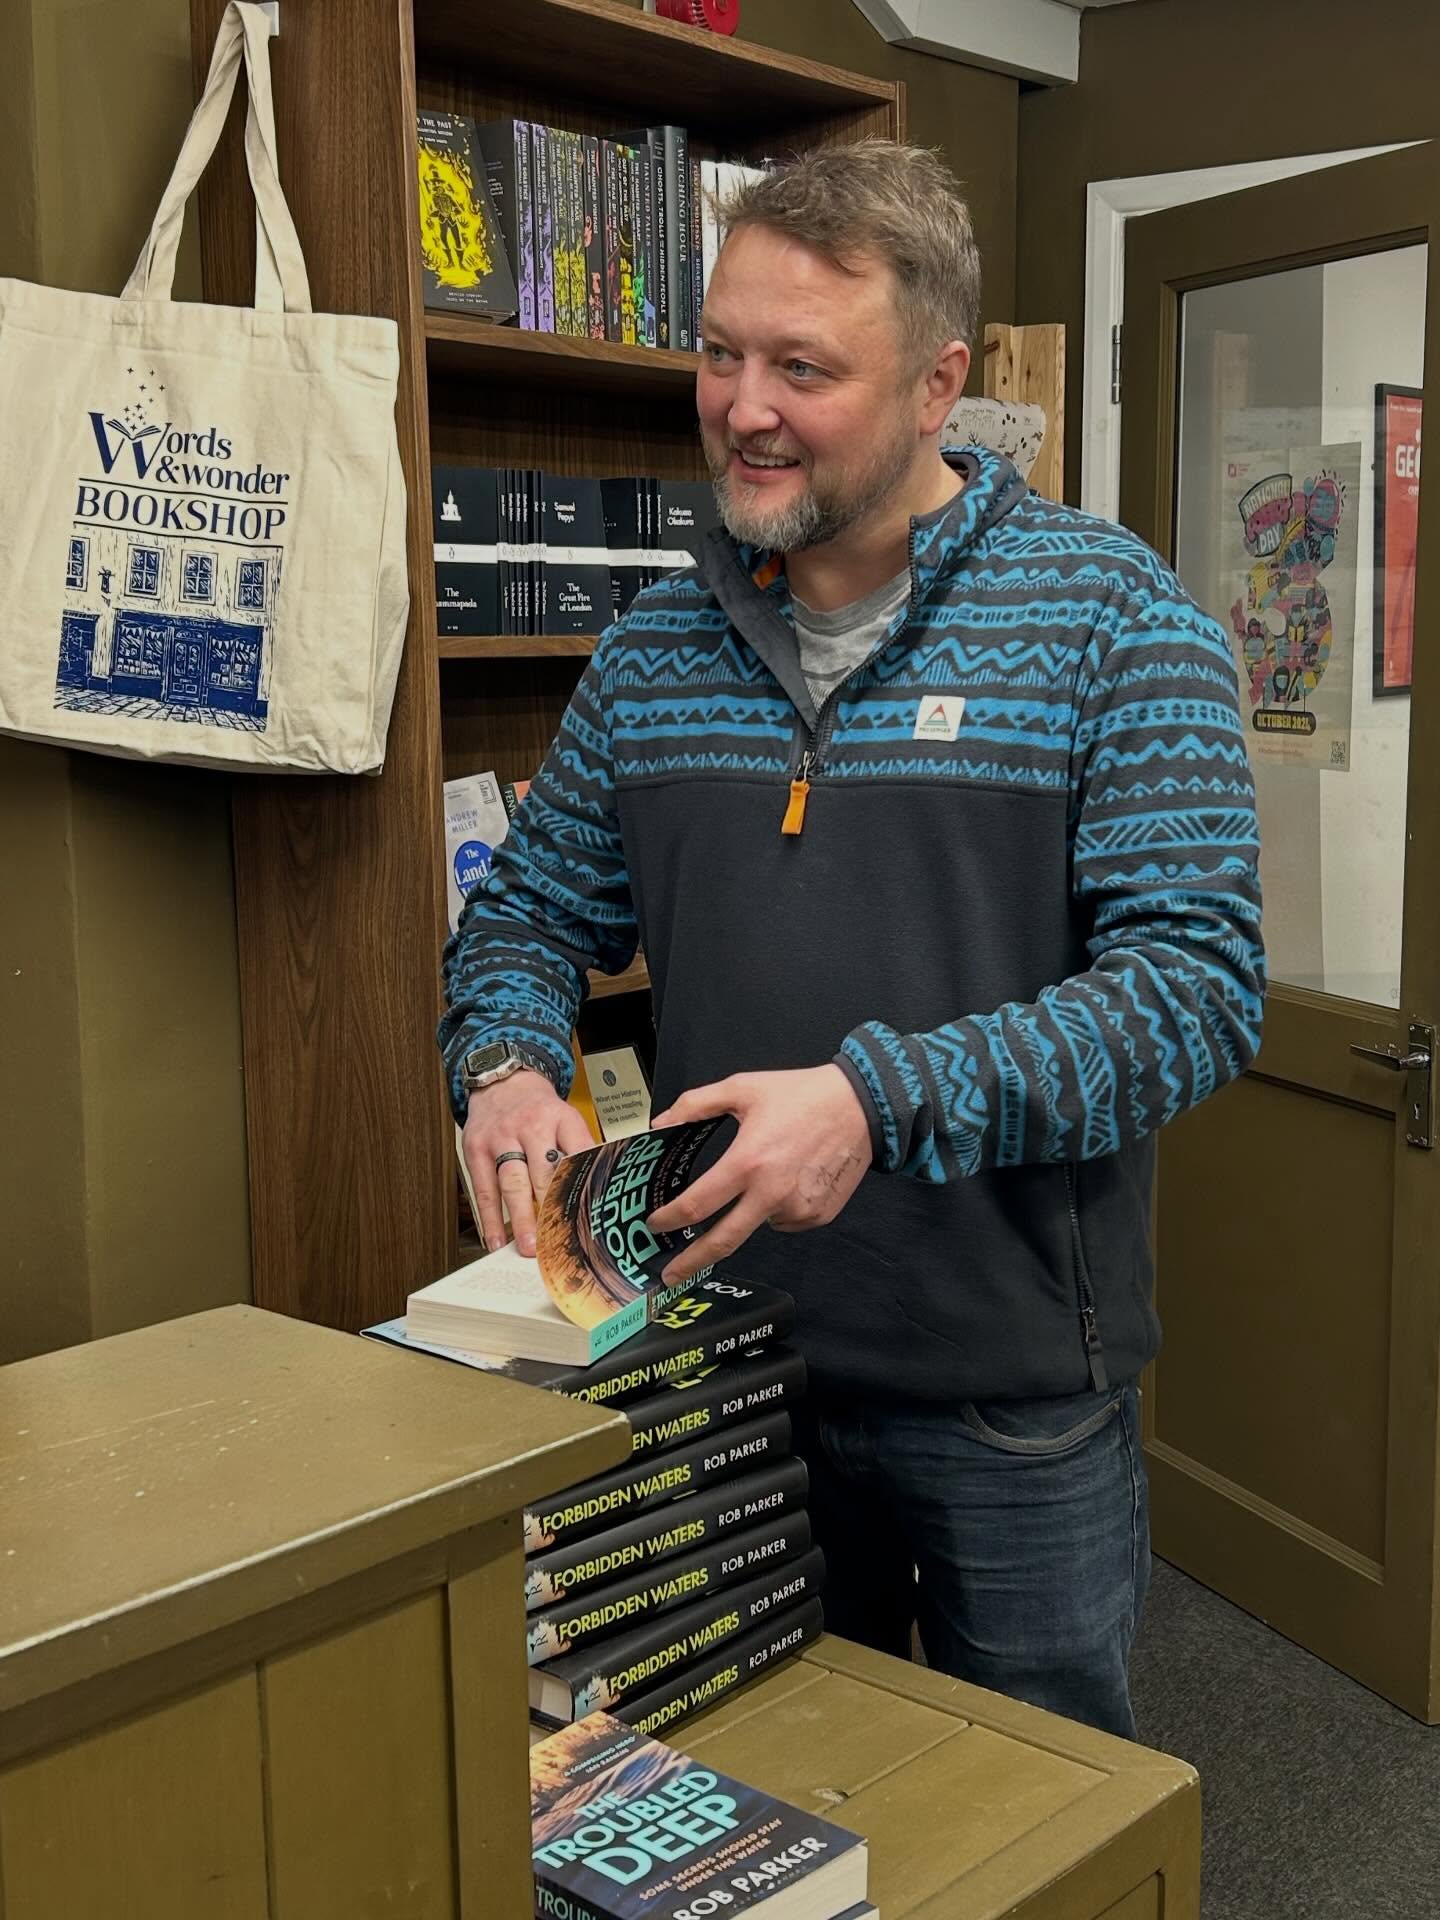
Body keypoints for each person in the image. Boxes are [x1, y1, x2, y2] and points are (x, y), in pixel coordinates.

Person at [438, 140, 1264, 1740]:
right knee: (777, 1797)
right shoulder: (654, 652)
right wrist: (510, 1065)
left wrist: (876, 1104)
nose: (743, 405)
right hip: (713, 1371)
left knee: (1036, 1824)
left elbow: (1195, 996)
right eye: (722, 351)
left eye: (804, 367)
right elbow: (532, 910)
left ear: (939, 382)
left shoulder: (1116, 622)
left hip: (1010, 1402)